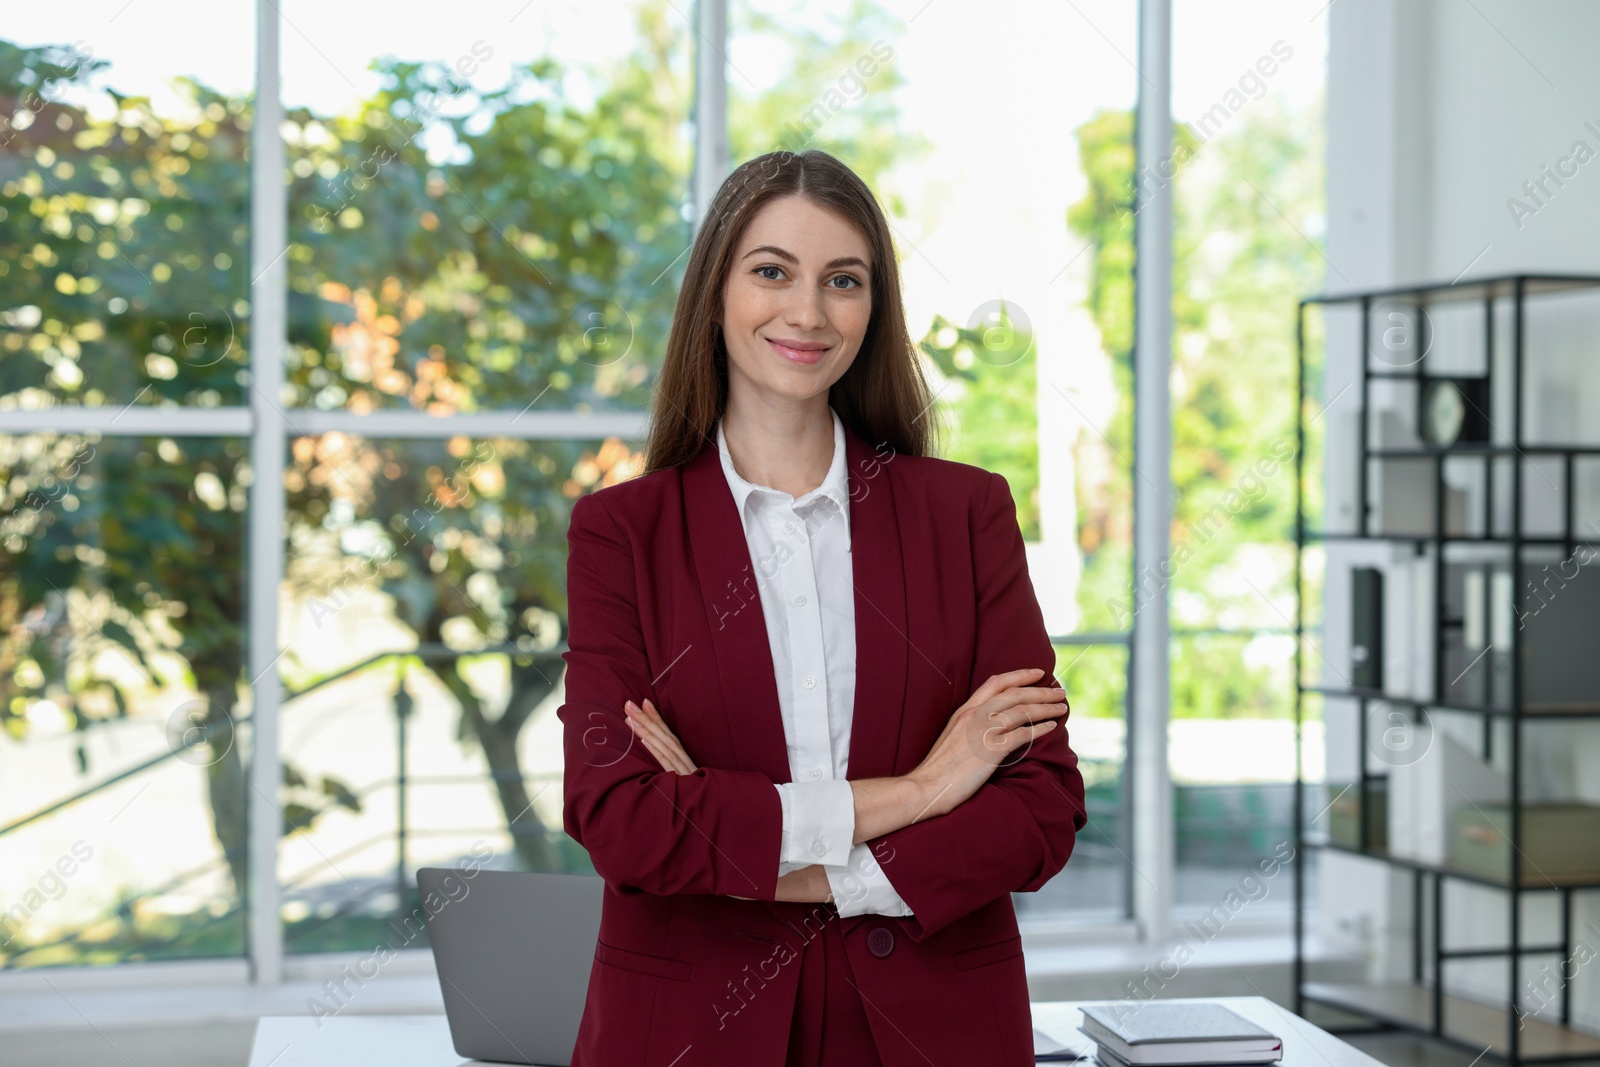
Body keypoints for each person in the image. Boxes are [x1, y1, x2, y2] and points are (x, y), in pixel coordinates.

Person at [558, 148, 1087, 1067]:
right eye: (772, 272)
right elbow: (621, 819)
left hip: (936, 1032)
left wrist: (748, 850)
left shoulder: (964, 514)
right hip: (693, 1033)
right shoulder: (622, 533)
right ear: (716, 292)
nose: (807, 312)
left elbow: (1041, 805)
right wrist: (926, 790)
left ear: (872, 308)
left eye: (843, 280)